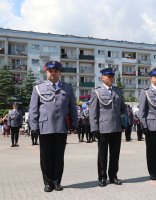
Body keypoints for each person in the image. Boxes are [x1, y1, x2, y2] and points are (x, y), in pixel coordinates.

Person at [29, 61, 78, 192]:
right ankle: (48, 182)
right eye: (50, 71)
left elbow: (72, 107)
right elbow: (33, 109)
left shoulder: (67, 88)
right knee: (45, 157)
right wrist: (33, 127)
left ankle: (57, 182)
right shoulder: (38, 88)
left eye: (55, 71)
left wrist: (74, 123)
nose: (53, 73)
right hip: (45, 127)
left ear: (59, 73)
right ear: (46, 72)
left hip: (61, 127)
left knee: (58, 157)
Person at [89, 67, 126, 187]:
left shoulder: (118, 91)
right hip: (103, 128)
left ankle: (113, 176)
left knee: (115, 154)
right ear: (102, 78)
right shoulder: (97, 92)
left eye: (112, 76)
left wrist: (124, 121)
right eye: (108, 76)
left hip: (116, 128)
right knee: (102, 155)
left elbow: (123, 108)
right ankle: (102, 177)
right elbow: (93, 111)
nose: (111, 78)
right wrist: (94, 128)